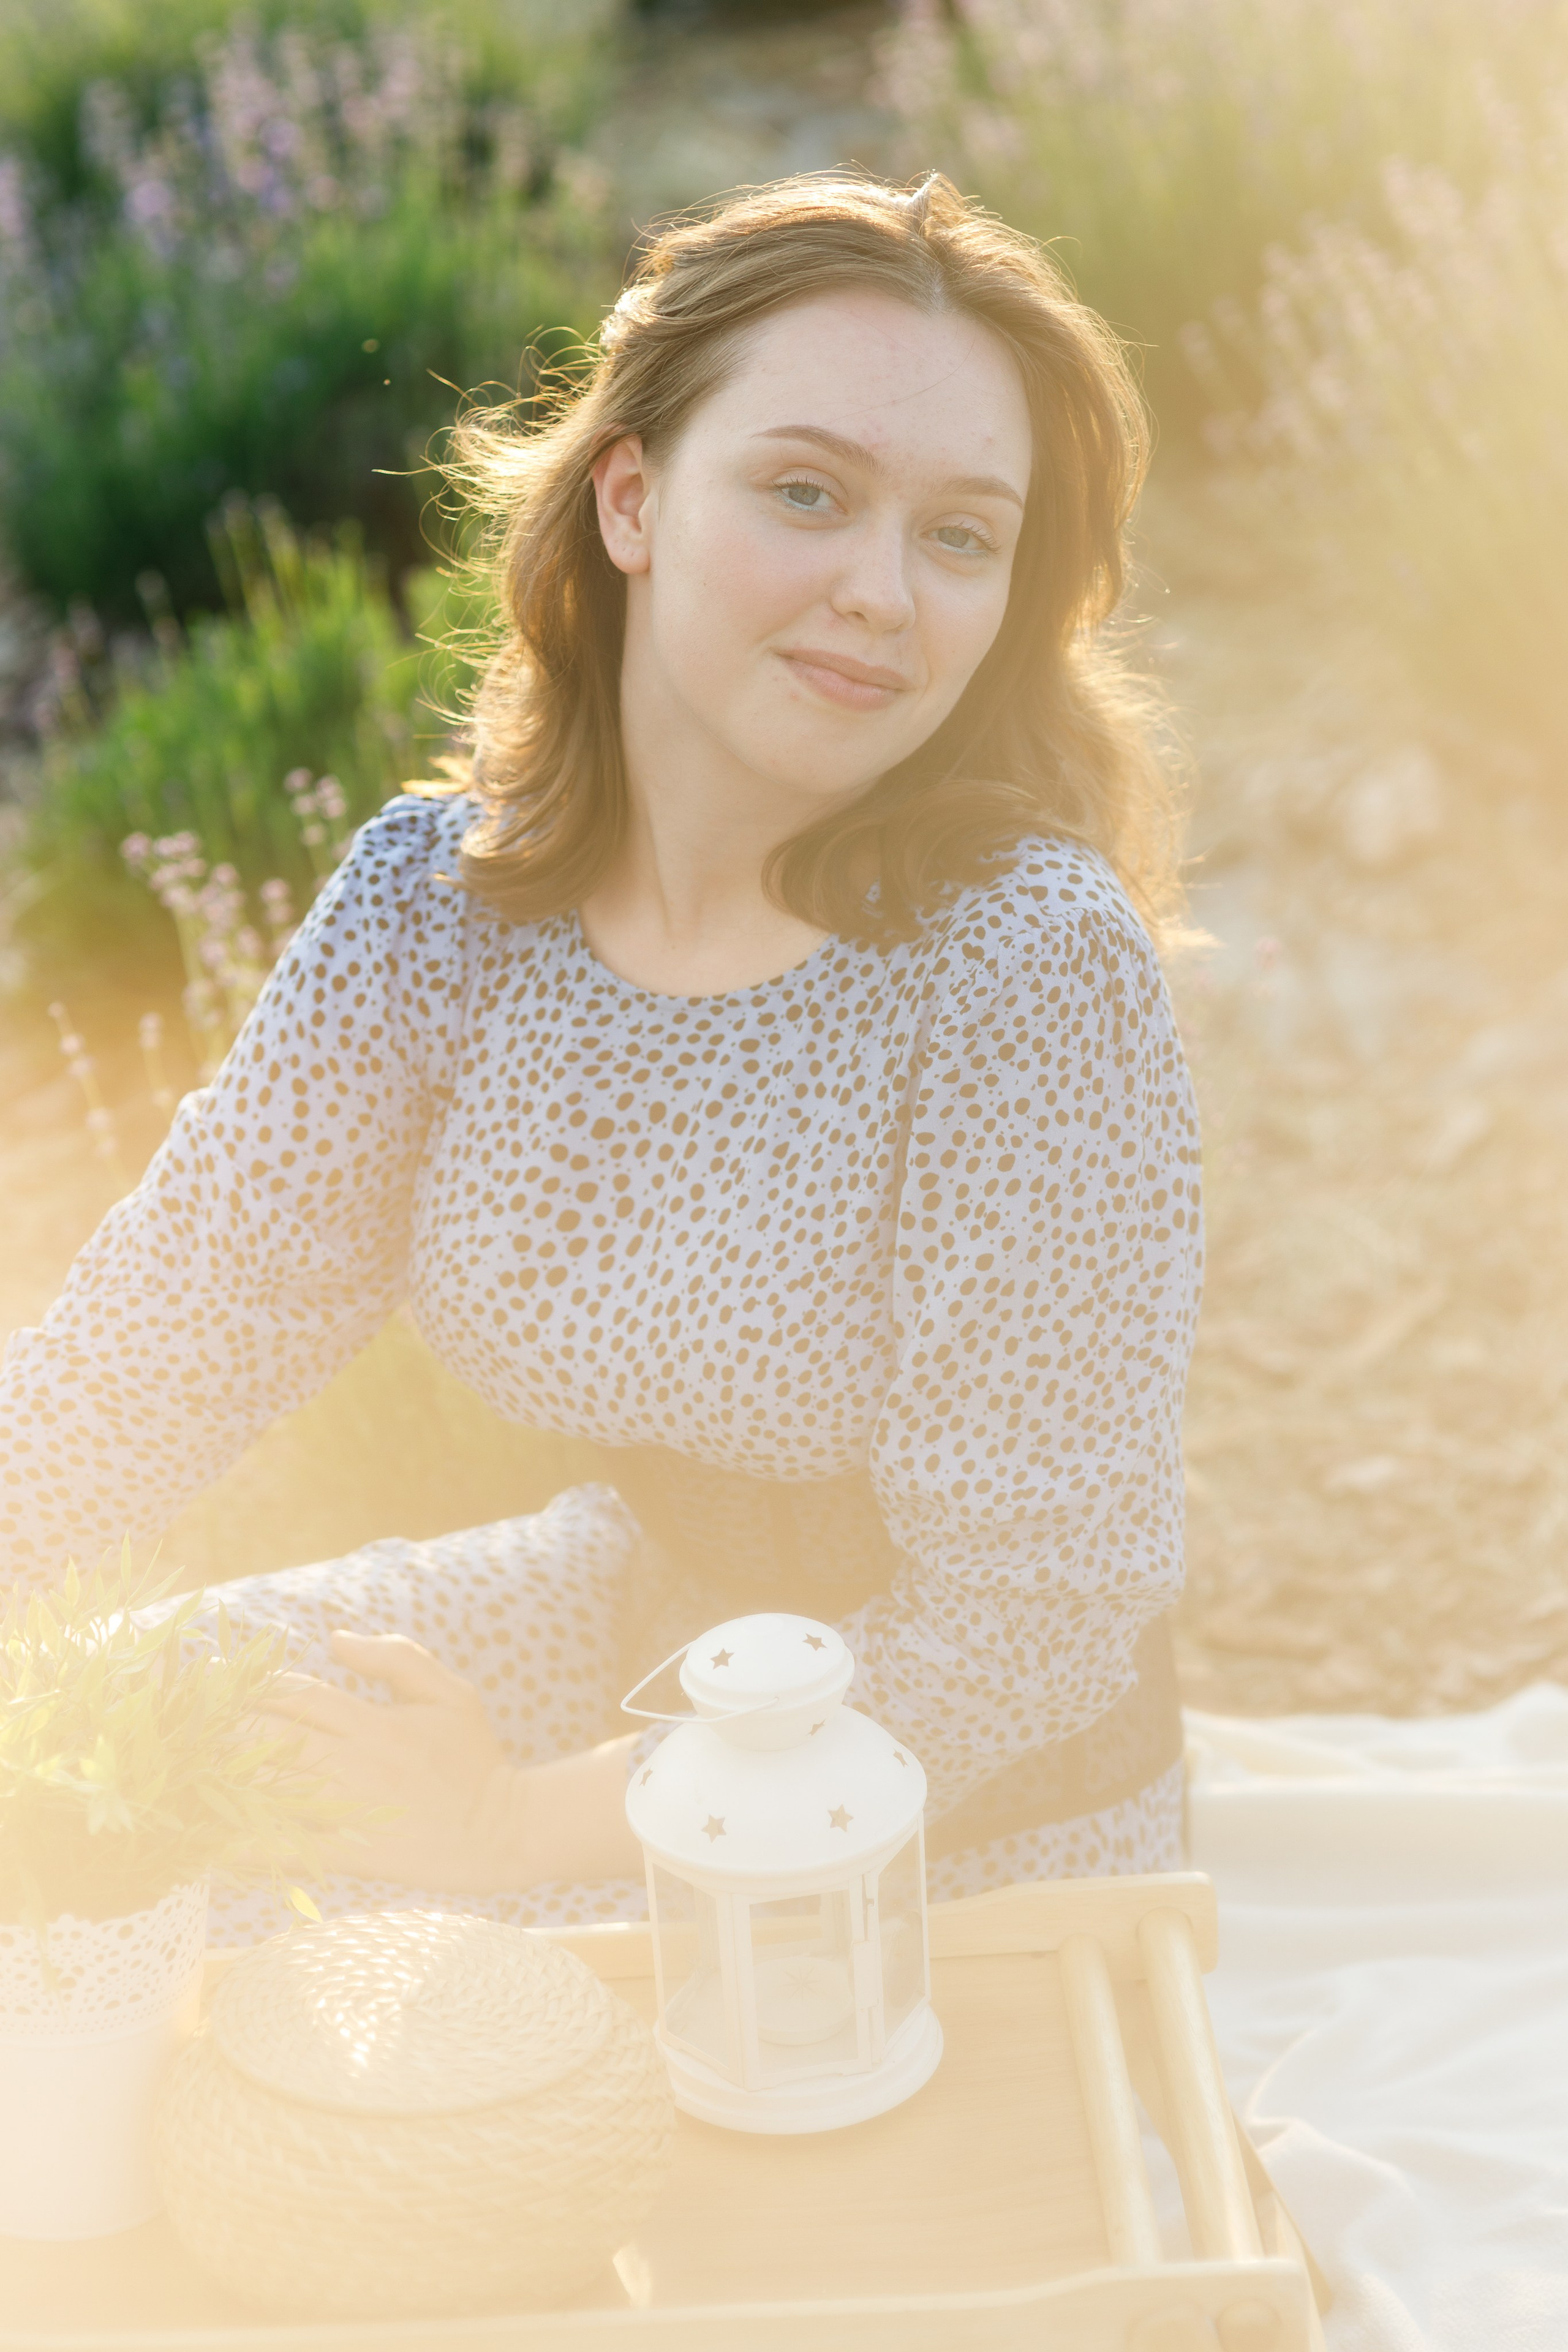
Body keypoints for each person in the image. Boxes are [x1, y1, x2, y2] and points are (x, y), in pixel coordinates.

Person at [0, 173, 1202, 1940]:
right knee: (95, 1756)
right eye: (808, 493)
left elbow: (1033, 1623)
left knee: (286, 1976)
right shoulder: (433, 904)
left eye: (962, 536)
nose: (883, 592)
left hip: (939, 1797)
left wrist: (506, 1826)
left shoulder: (1024, 965)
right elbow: (167, 1335)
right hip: (640, 1619)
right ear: (631, 498)